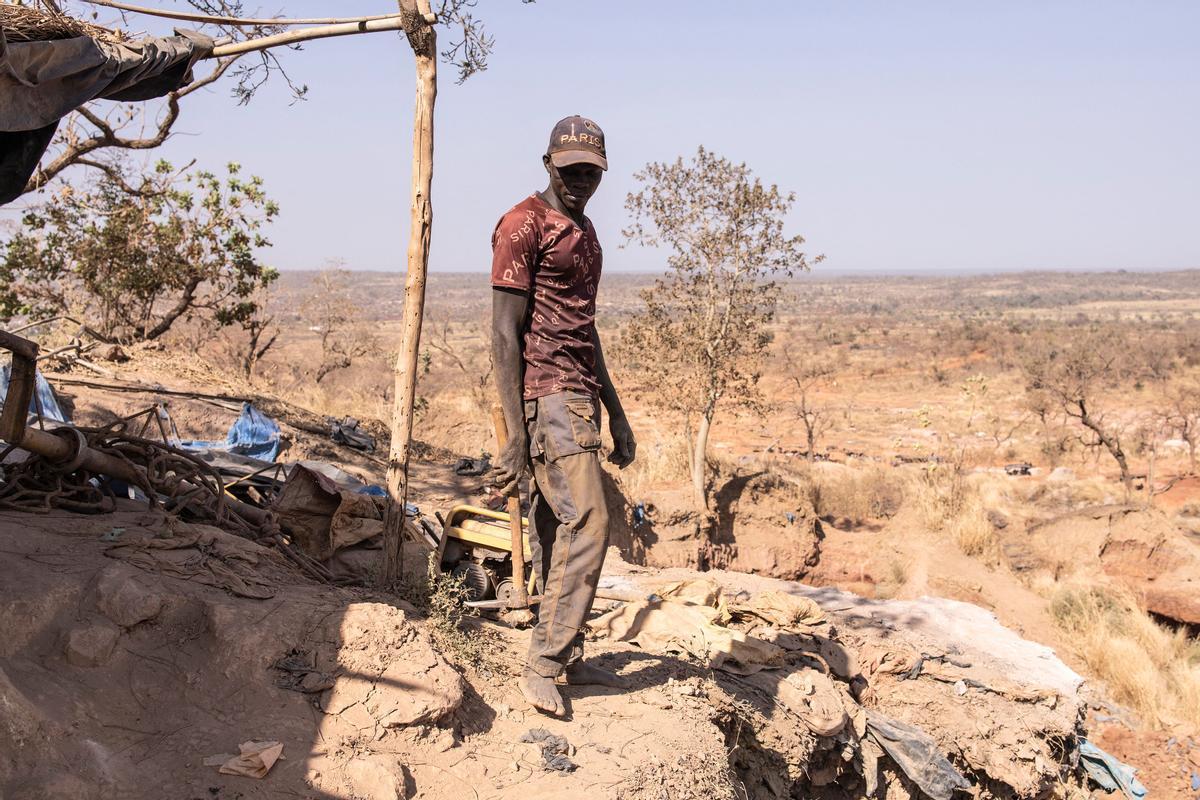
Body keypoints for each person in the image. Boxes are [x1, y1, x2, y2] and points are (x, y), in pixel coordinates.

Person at [489, 115, 637, 716]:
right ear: (547, 163)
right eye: (570, 169)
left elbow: (586, 329)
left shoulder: (586, 230)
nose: (580, 180)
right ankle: (544, 663)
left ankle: (564, 657)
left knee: (559, 528)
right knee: (593, 522)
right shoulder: (524, 223)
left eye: (591, 172)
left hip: (578, 395)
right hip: (547, 393)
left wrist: (616, 412)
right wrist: (513, 436)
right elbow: (503, 332)